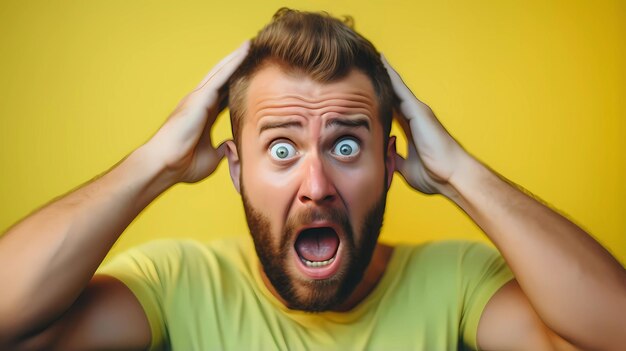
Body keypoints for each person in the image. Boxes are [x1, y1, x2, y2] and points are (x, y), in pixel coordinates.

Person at [0, 8, 624, 351]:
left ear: (389, 164)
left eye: (346, 145)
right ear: (235, 169)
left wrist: (460, 174)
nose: (317, 183)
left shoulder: (457, 284)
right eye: (280, 148)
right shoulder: (177, 285)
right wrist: (153, 165)